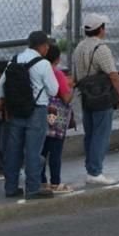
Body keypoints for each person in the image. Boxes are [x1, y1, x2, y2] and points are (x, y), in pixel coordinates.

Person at [0, 31, 59, 199]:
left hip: (16, 110)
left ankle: (11, 187)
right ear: (43, 46)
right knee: (33, 151)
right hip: (36, 111)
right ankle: (32, 188)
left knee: (13, 150)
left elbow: (1, 86)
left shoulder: (15, 60)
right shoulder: (43, 64)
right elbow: (54, 90)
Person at [73, 13, 119, 185]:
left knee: (90, 134)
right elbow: (113, 75)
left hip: (86, 96)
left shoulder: (79, 47)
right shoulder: (101, 49)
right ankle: (95, 171)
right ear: (100, 29)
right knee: (101, 134)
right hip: (101, 96)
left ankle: (90, 168)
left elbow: (75, 75)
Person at [41, 43, 74, 193]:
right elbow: (66, 98)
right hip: (55, 118)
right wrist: (70, 86)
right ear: (57, 58)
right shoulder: (57, 73)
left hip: (40, 115)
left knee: (41, 150)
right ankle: (55, 182)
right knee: (55, 151)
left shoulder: (38, 70)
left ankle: (41, 181)